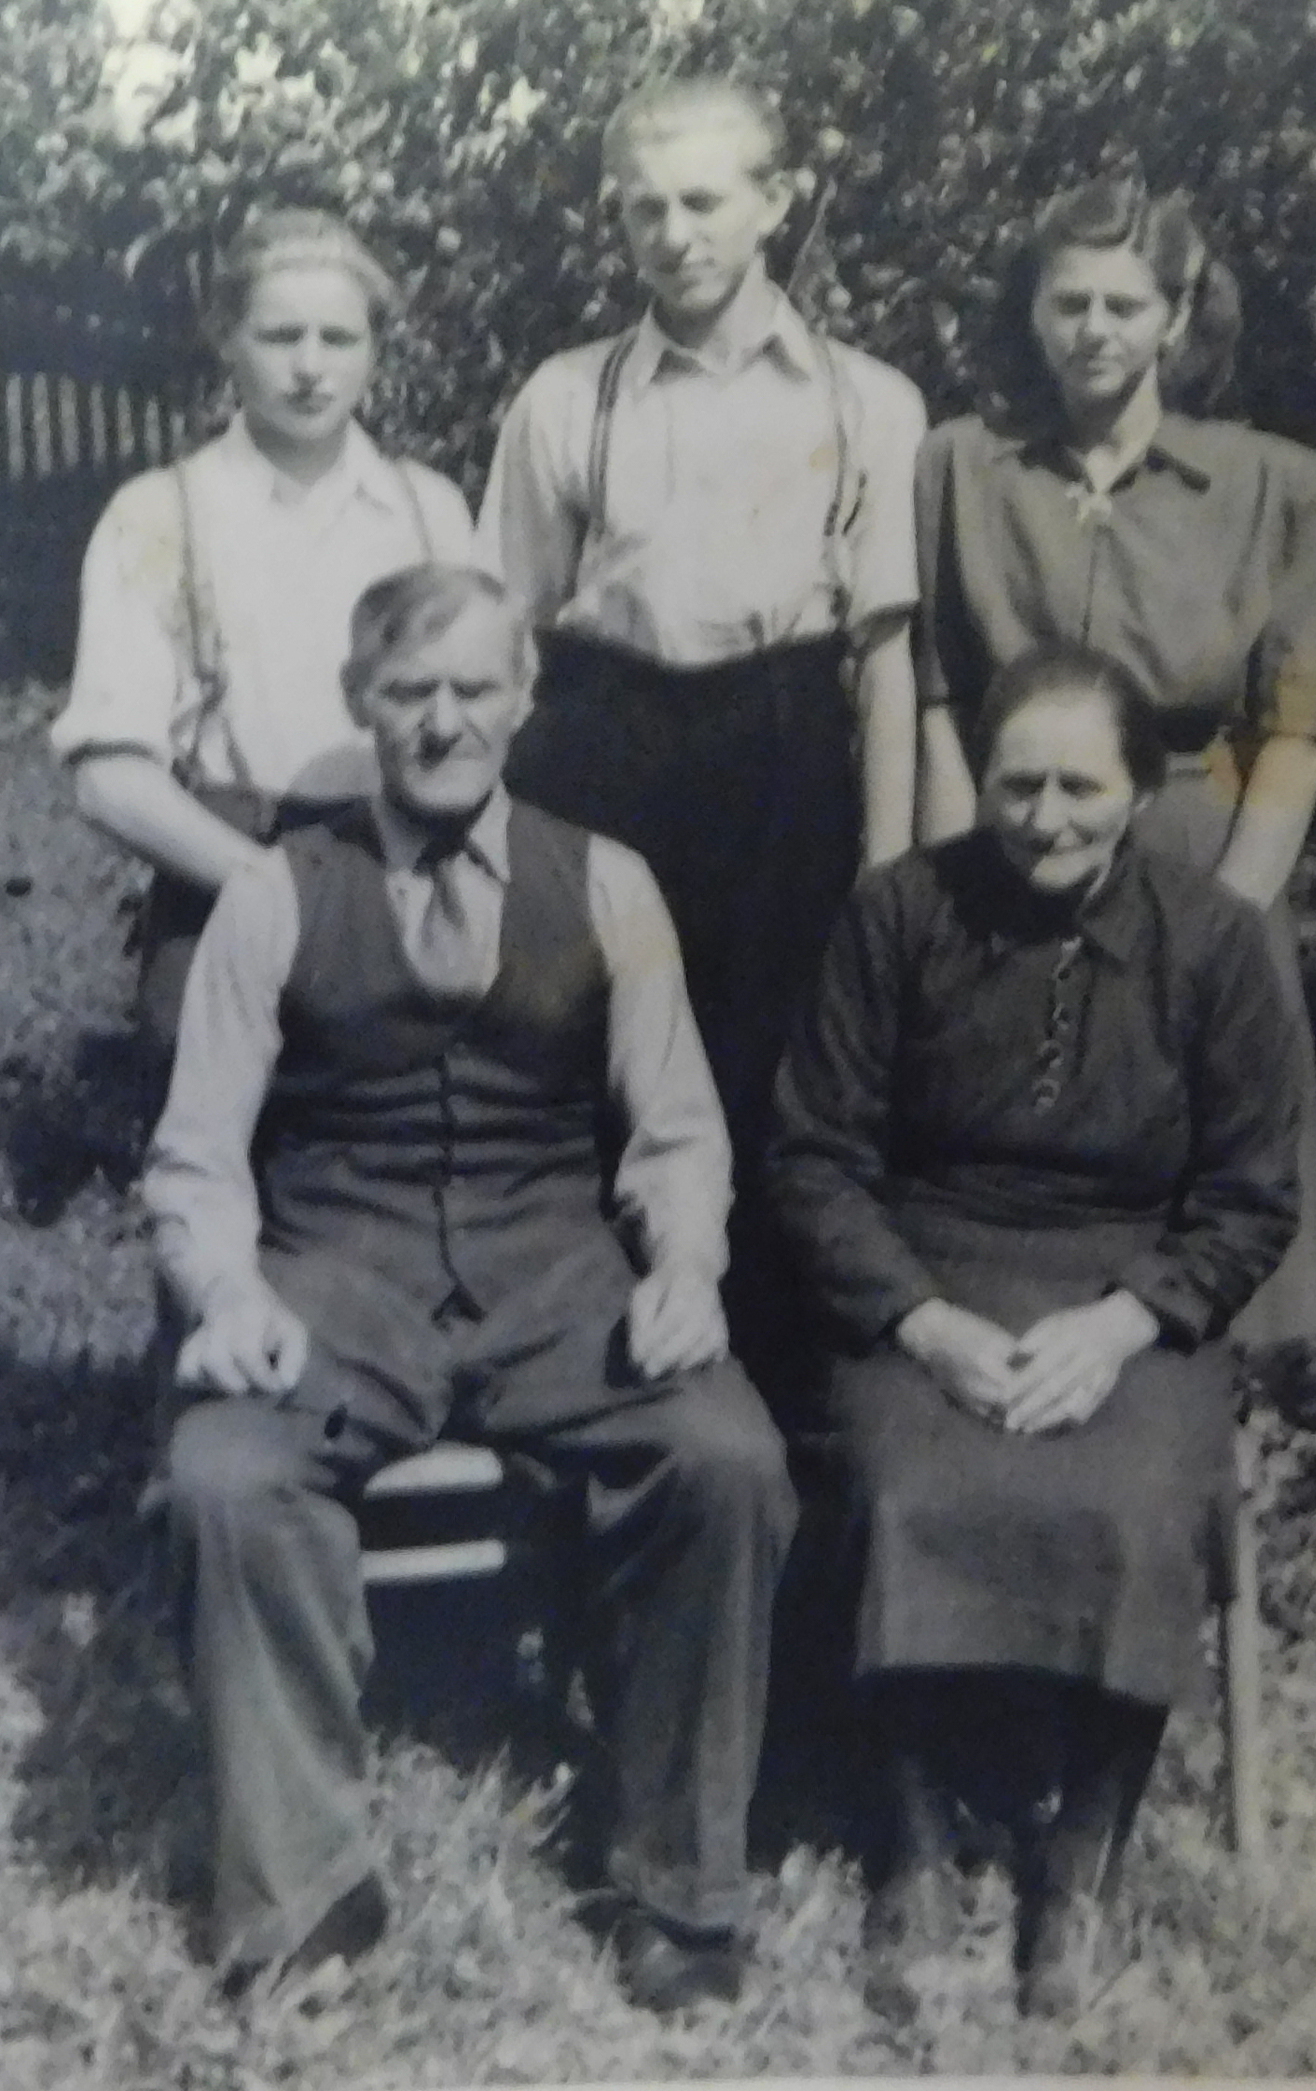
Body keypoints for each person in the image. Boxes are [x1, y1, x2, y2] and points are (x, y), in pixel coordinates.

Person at [141, 562, 797, 2011]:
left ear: (523, 698)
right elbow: (196, 1154)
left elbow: (676, 1128)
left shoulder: (610, 882)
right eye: (408, 692)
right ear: (359, 702)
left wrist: (686, 1265)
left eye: (472, 688)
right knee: (223, 1479)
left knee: (725, 1458)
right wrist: (228, 1293)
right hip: (337, 1273)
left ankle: (677, 1887)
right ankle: (304, 1891)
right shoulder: (272, 892)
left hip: (553, 1270)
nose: (442, 722)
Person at [768, 647, 1300, 2022]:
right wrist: (920, 1322)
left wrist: (1122, 1326)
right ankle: (908, 1844)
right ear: (982, 783)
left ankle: (1082, 1858)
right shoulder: (897, 915)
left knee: (1134, 1495)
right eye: (1017, 785)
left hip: (1128, 1292)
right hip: (928, 1269)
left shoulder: (1214, 942)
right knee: (894, 1480)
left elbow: (1250, 1197)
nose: (1043, 818)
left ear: (1138, 792)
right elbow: (813, 1158)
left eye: (1078, 787)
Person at [477, 75, 925, 1393]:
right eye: (642, 210)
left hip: (782, 753)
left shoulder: (864, 401)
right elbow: (506, 637)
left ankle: (772, 1396)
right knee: (589, 1052)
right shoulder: (567, 400)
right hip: (603, 740)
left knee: (772, 1065)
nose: (672, 236)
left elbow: (884, 658)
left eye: (703, 202)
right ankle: (591, 1377)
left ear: (774, 203)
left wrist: (884, 874)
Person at [911, 170, 1316, 1344]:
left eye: (1123, 305)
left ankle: (1193, 1433)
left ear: (1175, 315)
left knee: (1198, 1179)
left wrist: (1222, 927)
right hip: (1014, 848)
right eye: (1068, 304)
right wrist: (951, 903)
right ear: (1030, 312)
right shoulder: (958, 468)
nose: (1093, 331)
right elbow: (939, 699)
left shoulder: (1273, 484)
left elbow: (1297, 727)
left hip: (1197, 851)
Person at [52, 206, 474, 1049]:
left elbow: (483, 725)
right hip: (226, 876)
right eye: (281, 337)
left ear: (374, 349)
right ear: (226, 338)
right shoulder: (160, 516)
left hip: (409, 874)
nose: (311, 368)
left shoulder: (429, 511)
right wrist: (272, 892)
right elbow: (108, 776)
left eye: (338, 338)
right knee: (228, 1110)